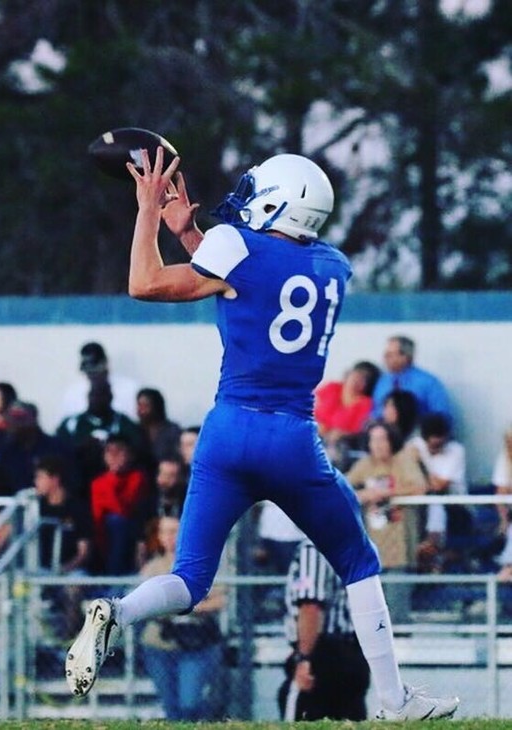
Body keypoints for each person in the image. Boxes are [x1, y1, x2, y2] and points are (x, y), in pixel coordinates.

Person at [64, 149, 458, 719]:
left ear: (280, 201)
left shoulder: (239, 245)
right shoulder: (333, 266)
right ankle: (394, 699)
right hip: (291, 438)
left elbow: (146, 283)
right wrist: (191, 232)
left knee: (190, 578)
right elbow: (250, 282)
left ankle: (117, 612)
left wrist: (149, 211)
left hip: (226, 433)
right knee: (357, 562)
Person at [139, 515, 226, 721]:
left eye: (176, 531)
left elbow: (221, 599)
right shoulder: (151, 569)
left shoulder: (204, 564)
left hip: (197, 642)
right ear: (158, 537)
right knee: (171, 707)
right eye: (165, 532)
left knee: (190, 703)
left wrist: (187, 607)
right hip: (160, 644)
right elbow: (148, 605)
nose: (171, 537)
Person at [278, 538, 370, 721]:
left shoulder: (314, 547)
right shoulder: (350, 542)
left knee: (298, 714)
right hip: (352, 652)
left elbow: (311, 605)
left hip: (324, 655)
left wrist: (304, 658)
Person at [345, 421, 428, 621]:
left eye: (383, 439)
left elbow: (419, 487)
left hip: (399, 542)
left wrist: (389, 493)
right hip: (372, 543)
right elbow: (342, 487)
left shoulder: (403, 460)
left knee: (397, 601)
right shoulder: (365, 465)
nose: (379, 445)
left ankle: (401, 637)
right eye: (374, 440)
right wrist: (363, 494)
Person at [34, 454, 93, 637]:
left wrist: (62, 569)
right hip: (41, 569)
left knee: (74, 587)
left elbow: (84, 552)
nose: (36, 482)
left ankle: (68, 639)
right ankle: (38, 640)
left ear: (54, 479)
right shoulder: (35, 508)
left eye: (40, 477)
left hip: (70, 569)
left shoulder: (77, 508)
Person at [406, 412, 468, 573]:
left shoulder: (456, 451)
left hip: (455, 507)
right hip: (422, 504)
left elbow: (439, 486)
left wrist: (421, 463)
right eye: (432, 446)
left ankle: (432, 547)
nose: (436, 450)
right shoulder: (414, 445)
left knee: (436, 503)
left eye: (439, 445)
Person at [89, 434, 150, 576]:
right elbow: (97, 515)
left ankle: (115, 577)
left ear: (130, 455)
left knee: (117, 521)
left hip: (131, 533)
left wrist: (112, 478)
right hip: (102, 539)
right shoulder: (97, 483)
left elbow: (123, 508)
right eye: (109, 451)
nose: (114, 456)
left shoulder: (137, 478)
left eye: (119, 451)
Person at [371, 336, 453, 424]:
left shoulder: (428, 383)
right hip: (386, 433)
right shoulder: (383, 382)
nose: (385, 359)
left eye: (390, 355)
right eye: (385, 355)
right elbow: (375, 411)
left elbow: (442, 417)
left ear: (406, 357)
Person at [314, 360, 380, 466]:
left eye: (364, 379)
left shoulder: (365, 403)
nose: (357, 381)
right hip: (312, 433)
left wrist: (339, 434)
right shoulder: (331, 387)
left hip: (339, 446)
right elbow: (310, 403)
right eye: (356, 375)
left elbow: (359, 431)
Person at [59, 341, 140, 421]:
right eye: (89, 371)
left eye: (96, 369)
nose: (93, 374)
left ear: (105, 362)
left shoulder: (130, 389)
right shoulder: (73, 393)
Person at [136, 387, 182, 465]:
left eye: (145, 406)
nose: (141, 410)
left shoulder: (172, 431)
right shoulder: (134, 430)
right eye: (139, 405)